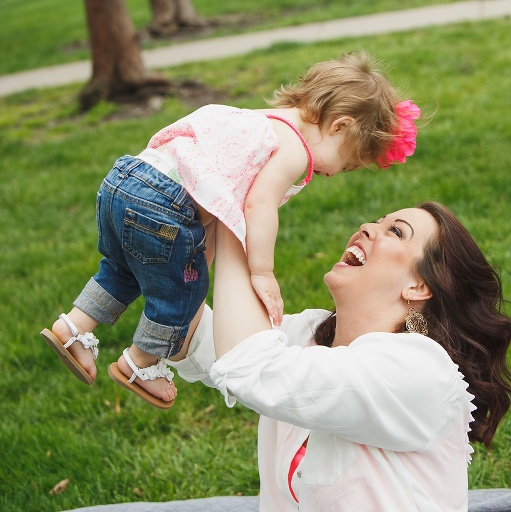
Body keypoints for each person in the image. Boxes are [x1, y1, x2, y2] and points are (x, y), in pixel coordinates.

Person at [39, 51, 421, 409]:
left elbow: (208, 192)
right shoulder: (295, 148)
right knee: (182, 291)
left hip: (123, 182)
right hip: (164, 205)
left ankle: (72, 327)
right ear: (340, 126)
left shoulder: (252, 120)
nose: (334, 173)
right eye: (348, 161)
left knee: (122, 270)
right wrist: (262, 271)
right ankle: (142, 361)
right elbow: (259, 204)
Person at [167, 202, 511, 510]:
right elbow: (196, 339)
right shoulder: (310, 335)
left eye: (396, 232)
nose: (367, 227)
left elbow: (250, 368)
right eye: (378, 221)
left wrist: (235, 226)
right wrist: (170, 248)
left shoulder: (418, 370)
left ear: (419, 285)